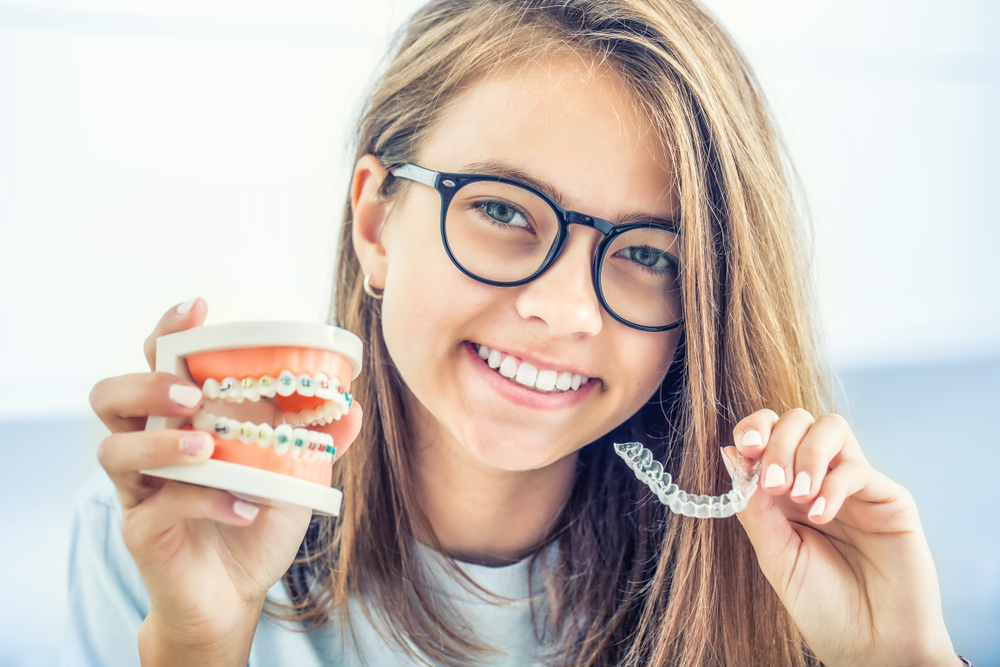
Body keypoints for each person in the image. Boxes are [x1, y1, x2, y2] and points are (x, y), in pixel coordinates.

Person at [66, 1, 966, 665]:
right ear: (377, 224)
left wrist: (902, 660)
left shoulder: (771, 579)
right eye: (502, 208)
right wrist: (201, 639)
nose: (567, 309)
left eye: (650, 255)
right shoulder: (157, 535)